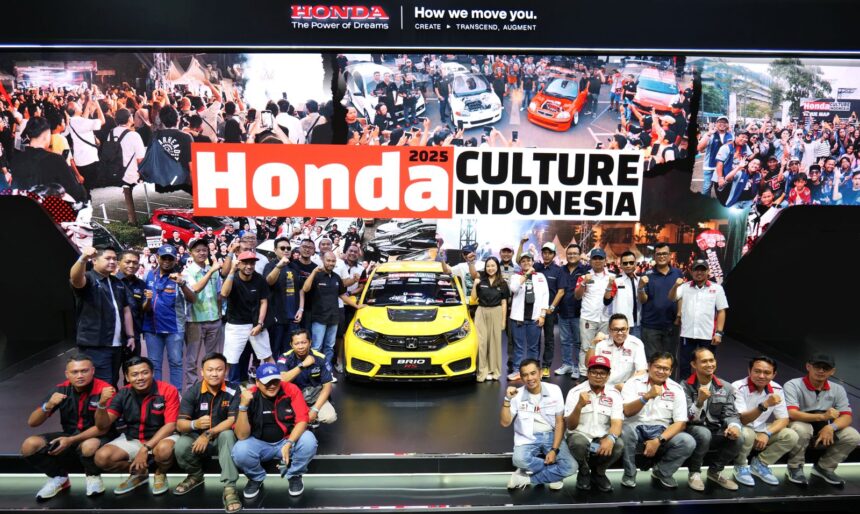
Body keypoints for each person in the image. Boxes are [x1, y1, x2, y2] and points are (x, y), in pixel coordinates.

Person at [21, 354, 114, 499]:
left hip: (99, 438)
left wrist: (70, 440)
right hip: (71, 435)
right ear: (67, 374)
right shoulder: (60, 390)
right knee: (29, 445)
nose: (80, 376)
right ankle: (59, 477)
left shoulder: (105, 390)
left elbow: (103, 428)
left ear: (93, 371)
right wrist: (48, 405)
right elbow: (33, 422)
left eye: (84, 371)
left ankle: (93, 476)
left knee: (88, 445)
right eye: (75, 372)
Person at [94, 356, 180, 495]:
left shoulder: (168, 390)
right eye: (134, 374)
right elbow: (102, 425)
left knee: (164, 450)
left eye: (144, 373)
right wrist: (102, 404)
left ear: (152, 373)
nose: (140, 378)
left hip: (162, 437)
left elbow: (170, 426)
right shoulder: (123, 393)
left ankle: (160, 473)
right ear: (127, 377)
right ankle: (139, 473)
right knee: (101, 458)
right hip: (134, 438)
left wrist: (145, 448)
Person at [232, 363, 317, 498]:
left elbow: (302, 420)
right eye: (267, 382)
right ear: (257, 382)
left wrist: (289, 443)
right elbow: (242, 436)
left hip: (287, 440)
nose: (272, 386)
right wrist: (243, 407)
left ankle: (295, 475)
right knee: (239, 450)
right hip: (259, 443)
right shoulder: (248, 396)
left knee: (309, 439)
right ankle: (256, 478)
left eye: (275, 381)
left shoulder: (291, 389)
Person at [174, 352, 241, 512]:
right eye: (210, 370)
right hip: (197, 439)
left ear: (226, 371)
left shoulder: (233, 390)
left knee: (227, 434)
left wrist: (208, 434)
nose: (214, 374)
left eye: (219, 369)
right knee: (181, 444)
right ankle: (195, 475)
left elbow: (232, 420)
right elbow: (180, 425)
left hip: (221, 440)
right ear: (202, 372)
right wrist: (195, 424)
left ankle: (230, 487)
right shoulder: (193, 391)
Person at [620, 352, 695, 489]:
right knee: (624, 431)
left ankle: (662, 472)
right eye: (657, 367)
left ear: (671, 371)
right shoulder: (632, 383)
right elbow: (627, 411)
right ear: (649, 366)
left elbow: (680, 423)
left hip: (661, 430)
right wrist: (646, 397)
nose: (661, 371)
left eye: (665, 369)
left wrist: (658, 440)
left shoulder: (676, 389)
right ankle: (630, 473)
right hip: (634, 427)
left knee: (688, 441)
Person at [783, 354, 860, 486]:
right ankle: (795, 467)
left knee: (852, 435)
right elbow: (792, 413)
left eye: (826, 368)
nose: (821, 371)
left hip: (824, 429)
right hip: (799, 425)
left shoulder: (838, 389)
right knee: (802, 428)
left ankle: (824, 468)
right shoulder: (793, 385)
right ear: (808, 367)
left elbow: (847, 416)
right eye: (817, 366)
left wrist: (831, 427)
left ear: (832, 371)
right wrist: (823, 417)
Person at [501, 359, 576, 490]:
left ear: (540, 373)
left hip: (551, 435)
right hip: (528, 437)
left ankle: (526, 479)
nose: (530, 378)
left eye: (533, 373)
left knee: (572, 466)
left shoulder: (554, 390)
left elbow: (559, 422)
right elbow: (505, 422)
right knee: (519, 460)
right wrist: (507, 399)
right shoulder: (516, 395)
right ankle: (555, 473)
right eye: (525, 375)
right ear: (521, 378)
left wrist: (554, 450)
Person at [70, 246, 136, 385]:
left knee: (112, 381)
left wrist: (130, 336)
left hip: (117, 345)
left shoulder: (117, 282)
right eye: (107, 258)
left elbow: (126, 310)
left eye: (114, 259)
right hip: (95, 345)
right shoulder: (89, 278)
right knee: (102, 385)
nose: (112, 261)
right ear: (94, 260)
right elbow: (75, 279)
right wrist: (83, 259)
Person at [731, 356, 798, 487]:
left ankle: (760, 463)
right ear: (749, 371)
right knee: (748, 434)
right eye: (757, 371)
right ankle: (740, 465)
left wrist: (767, 433)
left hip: (761, 428)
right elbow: (742, 419)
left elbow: (783, 419)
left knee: (791, 435)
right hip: (741, 426)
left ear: (774, 374)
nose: (761, 376)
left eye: (767, 373)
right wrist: (765, 404)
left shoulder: (777, 389)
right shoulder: (737, 386)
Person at [682, 348, 742, 491]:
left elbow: (730, 413)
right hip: (692, 427)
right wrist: (699, 402)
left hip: (715, 428)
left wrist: (734, 426)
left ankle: (715, 471)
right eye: (704, 361)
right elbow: (687, 417)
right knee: (704, 433)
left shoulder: (726, 387)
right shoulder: (684, 386)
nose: (709, 364)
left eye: (712, 360)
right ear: (694, 364)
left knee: (739, 437)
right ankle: (694, 472)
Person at [564, 355, 624, 492]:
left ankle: (599, 472)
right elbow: (570, 426)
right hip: (580, 437)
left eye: (602, 373)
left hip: (599, 441)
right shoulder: (575, 392)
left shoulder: (614, 394)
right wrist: (579, 406)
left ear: (608, 375)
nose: (598, 376)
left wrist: (610, 438)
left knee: (619, 444)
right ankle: (584, 470)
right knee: (578, 443)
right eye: (594, 372)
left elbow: (617, 422)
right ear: (588, 373)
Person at [143, 244, 195, 389]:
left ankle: (176, 394)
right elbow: (144, 303)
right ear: (157, 257)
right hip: (152, 328)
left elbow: (192, 299)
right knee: (154, 364)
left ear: (175, 260)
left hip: (175, 328)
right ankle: (157, 394)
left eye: (170, 258)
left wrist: (182, 284)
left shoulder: (181, 277)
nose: (166, 261)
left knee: (176, 362)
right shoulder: (148, 275)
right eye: (164, 258)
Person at [302, 251, 365, 367]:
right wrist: (314, 272)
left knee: (330, 346)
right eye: (328, 260)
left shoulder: (336, 277)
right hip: (319, 318)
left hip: (334, 317)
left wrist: (356, 306)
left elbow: (342, 295)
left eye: (333, 261)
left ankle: (327, 369)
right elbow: (305, 289)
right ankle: (315, 370)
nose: (331, 263)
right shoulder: (316, 274)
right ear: (323, 260)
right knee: (316, 346)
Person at [669, 259, 728, 379]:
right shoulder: (684, 287)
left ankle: (706, 387)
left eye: (702, 270)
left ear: (708, 271)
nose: (699, 272)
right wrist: (675, 286)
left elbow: (721, 311)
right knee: (685, 365)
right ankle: (685, 387)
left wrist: (719, 333)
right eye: (696, 270)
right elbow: (671, 298)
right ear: (691, 272)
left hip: (707, 335)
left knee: (707, 365)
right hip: (687, 334)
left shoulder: (717, 288)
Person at [221, 251, 273, 385]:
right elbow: (224, 293)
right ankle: (223, 389)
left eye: (252, 263)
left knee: (267, 356)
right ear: (239, 263)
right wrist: (232, 270)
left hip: (255, 323)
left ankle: (275, 383)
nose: (249, 266)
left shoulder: (259, 279)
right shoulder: (233, 277)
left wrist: (260, 324)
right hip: (235, 324)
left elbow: (264, 302)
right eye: (245, 263)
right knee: (230, 360)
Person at [9, 117, 87, 202]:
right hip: (50, 207)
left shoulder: (16, 159)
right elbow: (75, 192)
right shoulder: (55, 159)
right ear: (46, 136)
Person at [181, 238, 224, 390]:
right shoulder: (187, 272)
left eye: (204, 250)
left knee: (212, 358)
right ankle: (192, 389)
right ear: (190, 253)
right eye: (197, 250)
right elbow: (195, 289)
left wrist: (220, 313)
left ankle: (210, 387)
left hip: (214, 320)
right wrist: (211, 271)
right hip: (194, 322)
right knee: (192, 358)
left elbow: (219, 294)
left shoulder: (214, 271)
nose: (201, 253)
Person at [277, 329, 337, 426]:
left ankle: (312, 417)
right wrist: (303, 365)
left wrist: (315, 409)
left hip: (315, 397)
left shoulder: (321, 358)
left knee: (330, 417)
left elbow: (327, 387)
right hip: (293, 397)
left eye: (304, 342)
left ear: (310, 342)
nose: (300, 346)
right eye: (296, 343)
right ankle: (302, 420)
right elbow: (283, 379)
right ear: (291, 345)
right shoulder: (284, 358)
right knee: (285, 416)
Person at [637, 243, 683, 362]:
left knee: (670, 360)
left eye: (664, 253)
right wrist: (640, 288)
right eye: (659, 254)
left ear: (670, 255)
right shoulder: (647, 274)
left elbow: (680, 297)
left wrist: (679, 315)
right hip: (651, 326)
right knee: (653, 361)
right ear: (654, 256)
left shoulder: (678, 273)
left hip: (672, 325)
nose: (662, 256)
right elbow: (642, 300)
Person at [574, 248, 616, 377]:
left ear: (605, 260)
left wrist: (610, 284)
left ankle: (602, 373)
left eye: (600, 258)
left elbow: (611, 297)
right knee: (586, 347)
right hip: (588, 317)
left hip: (605, 318)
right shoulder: (584, 276)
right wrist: (583, 283)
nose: (597, 261)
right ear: (590, 261)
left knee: (604, 347)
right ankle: (583, 374)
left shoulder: (612, 277)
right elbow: (577, 296)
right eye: (595, 258)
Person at [507, 253, 549, 382]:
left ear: (533, 262)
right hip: (518, 318)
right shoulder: (515, 276)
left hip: (534, 318)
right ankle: (517, 370)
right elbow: (514, 288)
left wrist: (542, 315)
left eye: (528, 260)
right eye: (523, 261)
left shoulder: (540, 276)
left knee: (533, 347)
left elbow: (545, 296)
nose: (526, 263)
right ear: (520, 263)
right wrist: (526, 275)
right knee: (518, 346)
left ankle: (533, 371)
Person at [470, 256, 510, 382]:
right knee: (481, 343)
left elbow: (504, 303)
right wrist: (475, 284)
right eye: (488, 266)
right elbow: (473, 298)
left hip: (496, 312)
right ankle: (482, 371)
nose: (490, 268)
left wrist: (503, 321)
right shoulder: (481, 281)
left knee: (494, 343)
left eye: (493, 265)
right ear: (485, 267)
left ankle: (494, 371)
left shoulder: (503, 283)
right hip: (481, 312)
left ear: (497, 267)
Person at [264, 237, 305, 357]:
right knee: (274, 350)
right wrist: (279, 266)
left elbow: (301, 289)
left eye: (288, 248)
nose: (286, 250)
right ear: (275, 250)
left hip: (293, 317)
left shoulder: (294, 266)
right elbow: (269, 281)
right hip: (277, 317)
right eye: (282, 248)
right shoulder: (270, 265)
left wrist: (301, 309)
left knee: (290, 352)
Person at [531, 242, 565, 378]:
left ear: (553, 255)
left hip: (549, 312)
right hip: (535, 310)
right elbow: (518, 261)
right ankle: (534, 365)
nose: (546, 255)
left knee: (549, 339)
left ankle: (546, 366)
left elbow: (561, 291)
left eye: (549, 253)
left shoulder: (558, 270)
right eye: (544, 252)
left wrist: (551, 307)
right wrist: (521, 244)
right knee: (535, 338)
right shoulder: (536, 267)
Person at [586, 314, 646, 389]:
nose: (620, 333)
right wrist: (593, 343)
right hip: (603, 386)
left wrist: (626, 385)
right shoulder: (601, 343)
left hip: (625, 386)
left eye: (623, 329)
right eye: (616, 329)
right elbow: (588, 365)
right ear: (609, 330)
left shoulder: (636, 344)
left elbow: (641, 371)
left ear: (628, 329)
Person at [555, 244, 587, 378]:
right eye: (569, 253)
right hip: (563, 311)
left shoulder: (585, 270)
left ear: (580, 255)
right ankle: (567, 364)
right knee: (565, 340)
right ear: (566, 255)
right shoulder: (561, 270)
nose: (572, 255)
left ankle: (578, 366)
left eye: (575, 253)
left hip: (579, 312)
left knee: (579, 342)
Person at [112, 108, 146, 225]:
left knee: (127, 193)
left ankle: (132, 221)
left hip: (116, 172)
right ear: (129, 119)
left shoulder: (111, 133)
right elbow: (140, 159)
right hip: (132, 174)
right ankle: (134, 221)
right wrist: (142, 174)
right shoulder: (134, 135)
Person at [66, 97, 105, 186]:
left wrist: (88, 105)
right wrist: (98, 106)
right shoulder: (81, 122)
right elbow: (102, 121)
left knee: (86, 185)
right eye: (78, 105)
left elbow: (84, 119)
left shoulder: (71, 121)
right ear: (75, 110)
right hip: (89, 159)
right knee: (91, 184)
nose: (80, 106)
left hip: (79, 159)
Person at [116, 250, 146, 358]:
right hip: (114, 335)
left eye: (135, 263)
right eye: (128, 262)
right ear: (118, 263)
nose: (132, 265)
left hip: (135, 333)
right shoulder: (112, 281)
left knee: (134, 365)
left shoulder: (141, 284)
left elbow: (143, 308)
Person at [612, 251, 642, 338]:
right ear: (621, 265)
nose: (628, 265)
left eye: (631, 262)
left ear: (635, 263)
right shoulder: (616, 280)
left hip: (637, 323)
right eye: (625, 263)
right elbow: (607, 300)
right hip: (621, 324)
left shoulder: (640, 280)